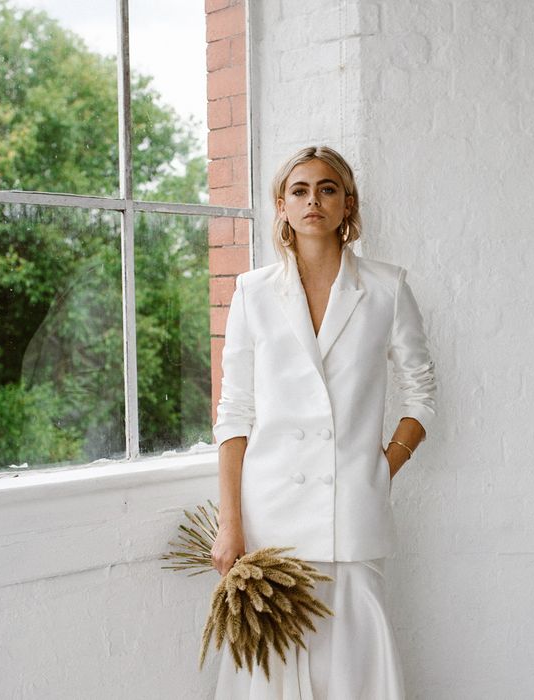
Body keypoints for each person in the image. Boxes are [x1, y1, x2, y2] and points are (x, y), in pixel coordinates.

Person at [210, 145, 437, 699]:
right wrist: (229, 521)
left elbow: (421, 394)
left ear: (347, 204)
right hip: (271, 520)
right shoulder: (253, 292)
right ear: (281, 206)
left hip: (351, 514)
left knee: (355, 674)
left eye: (327, 189)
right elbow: (234, 411)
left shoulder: (386, 288)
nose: (314, 200)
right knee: (270, 675)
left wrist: (384, 467)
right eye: (300, 190)